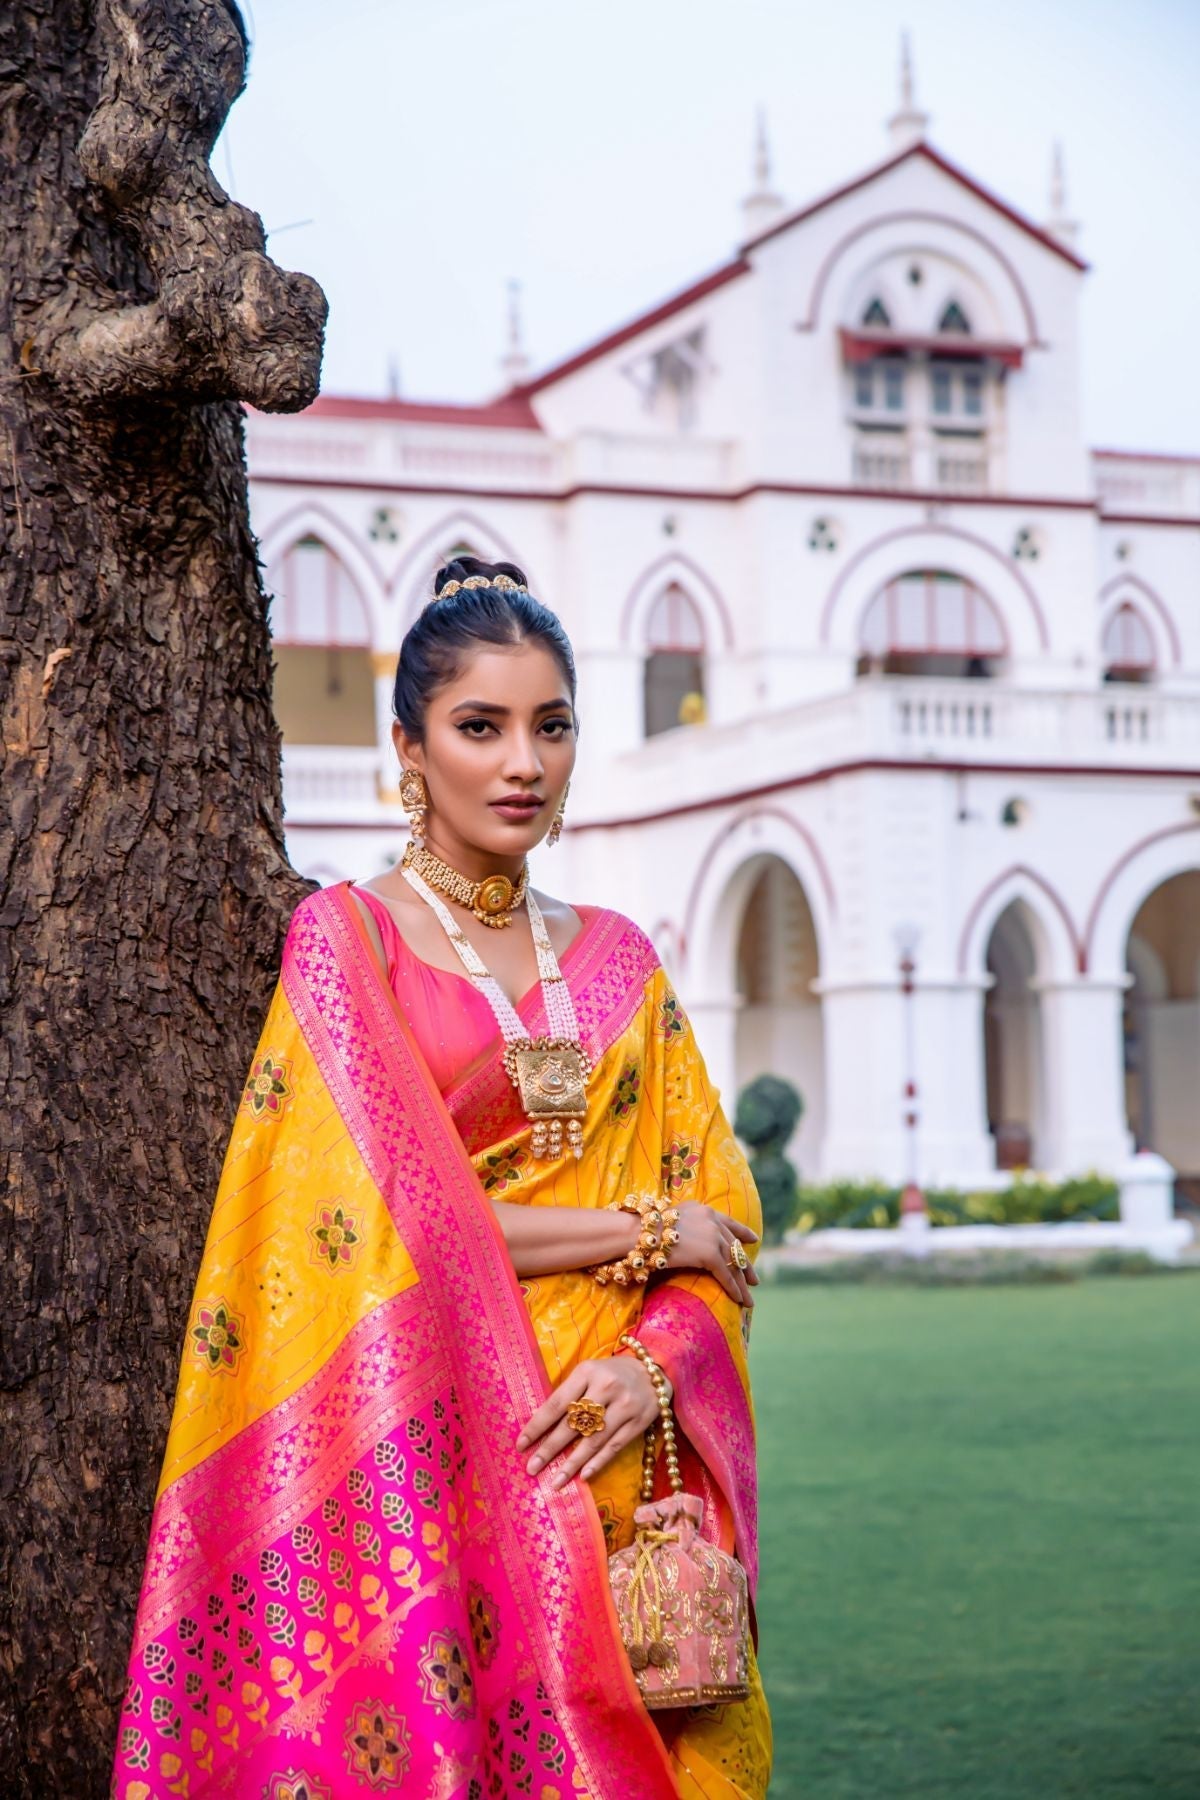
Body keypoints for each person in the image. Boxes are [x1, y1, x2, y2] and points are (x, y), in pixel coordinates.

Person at [113, 557, 772, 1799]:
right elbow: (387, 1229)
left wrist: (648, 1369)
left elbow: (726, 1224)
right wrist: (648, 1230)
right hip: (432, 1449)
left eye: (551, 725)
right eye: (482, 727)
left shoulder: (621, 958)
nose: (523, 762)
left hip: (618, 1468)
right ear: (409, 747)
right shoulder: (347, 942)